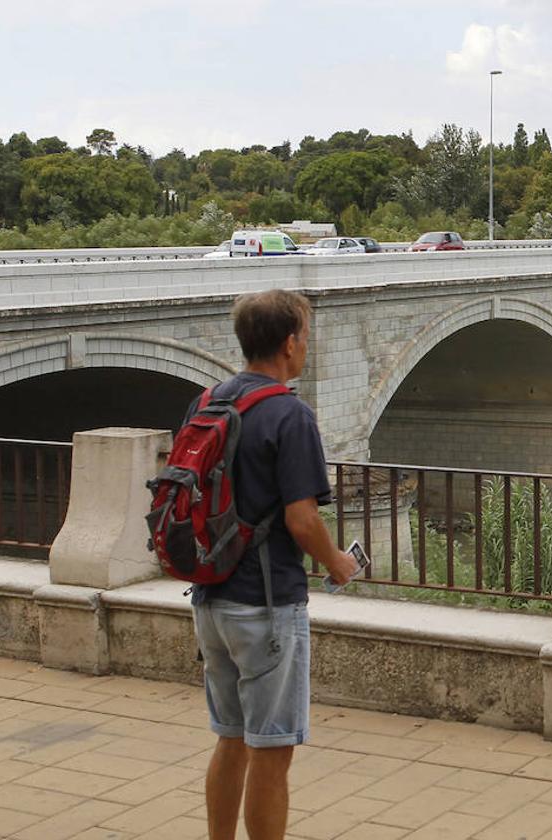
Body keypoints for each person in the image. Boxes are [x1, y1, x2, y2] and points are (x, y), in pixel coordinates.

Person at [188, 289, 358, 840]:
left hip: (211, 597)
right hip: (264, 606)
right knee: (272, 749)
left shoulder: (208, 400)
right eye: (305, 335)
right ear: (289, 343)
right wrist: (336, 564)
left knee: (231, 737)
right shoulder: (289, 413)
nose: (306, 346)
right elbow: (302, 520)